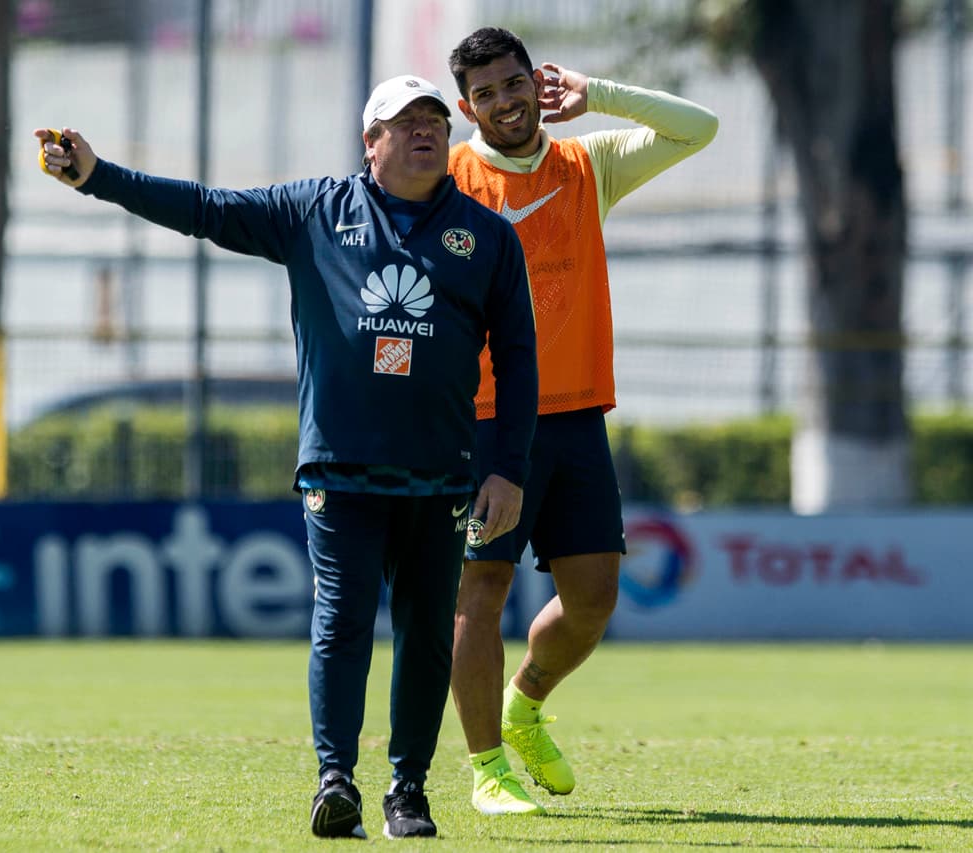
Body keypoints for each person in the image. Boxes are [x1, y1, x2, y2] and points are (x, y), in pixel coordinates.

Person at [36, 72, 539, 840]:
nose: (424, 130)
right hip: (339, 466)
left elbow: (520, 356)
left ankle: (409, 790)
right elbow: (206, 210)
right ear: (370, 142)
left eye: (434, 118)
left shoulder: (489, 235)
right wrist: (99, 177)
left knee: (429, 631)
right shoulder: (313, 211)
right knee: (340, 621)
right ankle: (335, 779)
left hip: (442, 472)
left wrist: (508, 468)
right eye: (403, 121)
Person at [444, 27, 719, 815]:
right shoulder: (452, 180)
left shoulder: (585, 165)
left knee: (595, 597)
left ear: (537, 82)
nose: (505, 102)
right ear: (469, 107)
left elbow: (700, 126)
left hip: (574, 417)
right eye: (487, 93)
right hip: (487, 423)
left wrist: (596, 92)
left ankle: (525, 707)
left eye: (514, 83)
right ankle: (486, 768)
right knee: (481, 590)